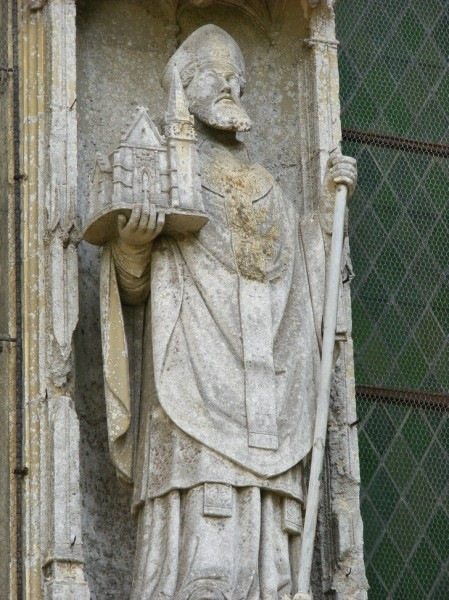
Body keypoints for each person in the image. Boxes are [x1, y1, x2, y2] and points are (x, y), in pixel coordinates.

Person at [100, 24, 357, 600]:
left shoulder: (267, 184)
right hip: (191, 372)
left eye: (237, 77)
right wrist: (134, 245)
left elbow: (305, 282)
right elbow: (132, 290)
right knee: (200, 522)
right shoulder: (165, 165)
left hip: (265, 388)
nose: (230, 86)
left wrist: (326, 217)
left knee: (265, 535)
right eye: (215, 75)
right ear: (183, 84)